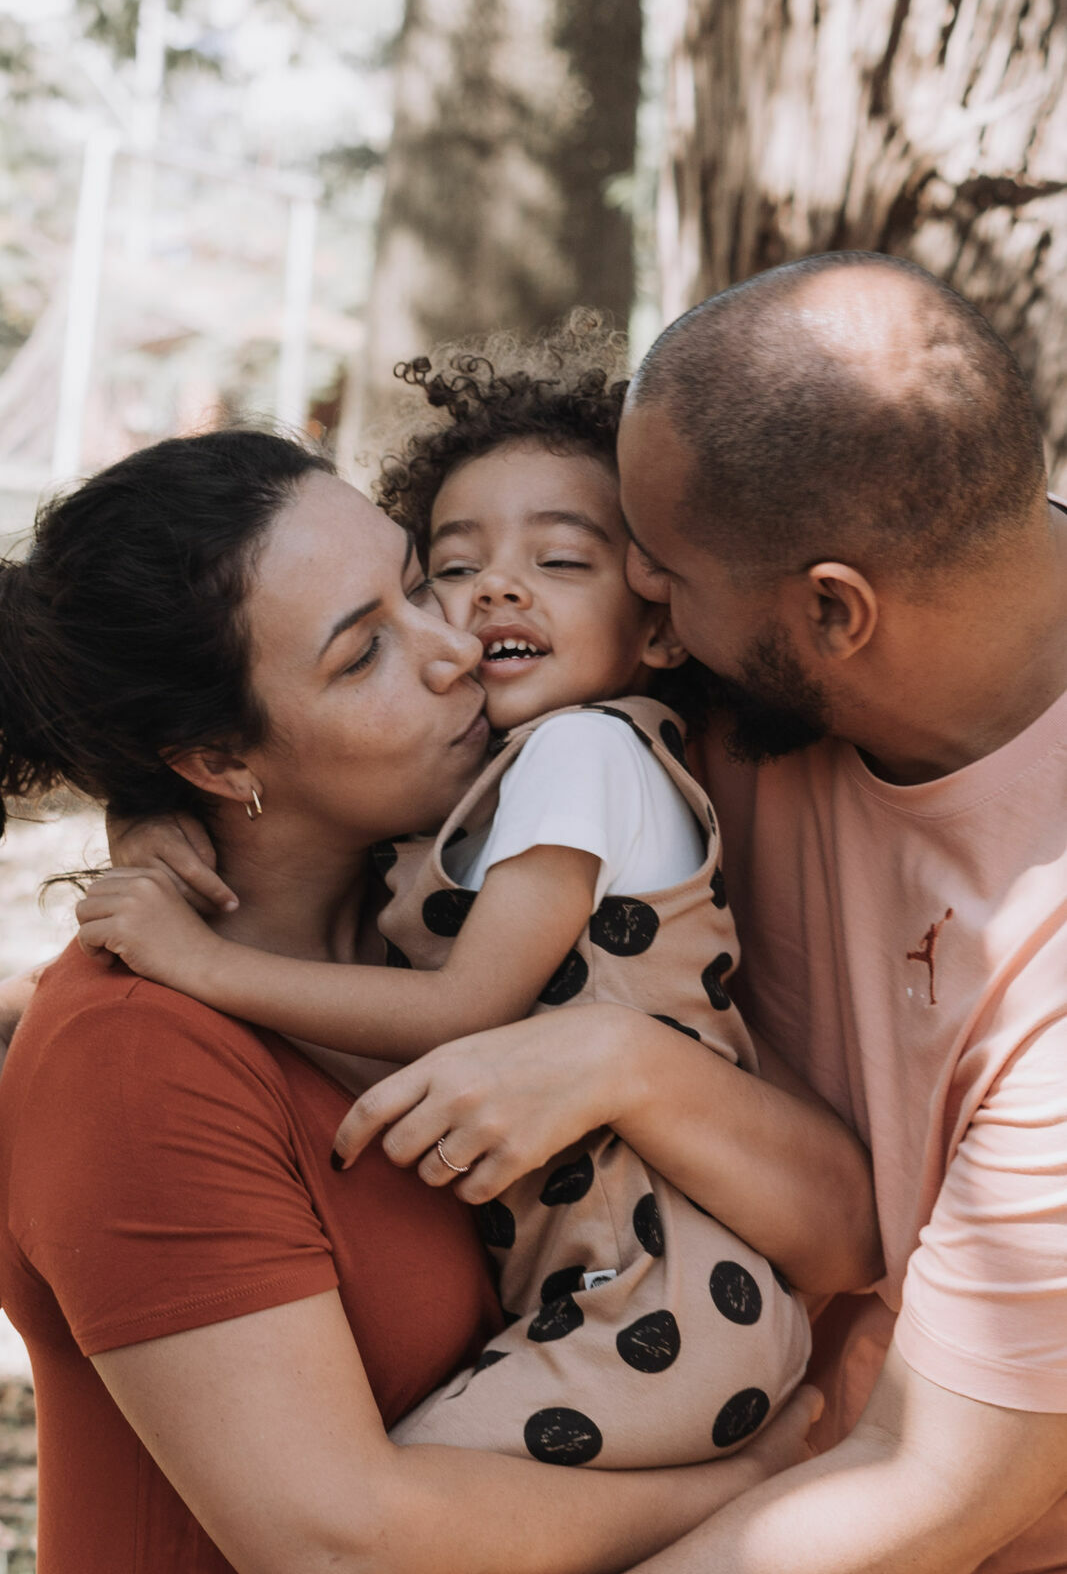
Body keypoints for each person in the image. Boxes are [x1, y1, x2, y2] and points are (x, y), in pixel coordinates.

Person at [0, 425, 857, 1573]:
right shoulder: (134, 1058)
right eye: (363, 654)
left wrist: (620, 1060)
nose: (456, 646)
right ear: (214, 760)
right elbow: (335, 1545)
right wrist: (745, 1486)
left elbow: (843, 1232)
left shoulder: (457, 909)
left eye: (418, 582)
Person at [335, 253, 1067, 1573]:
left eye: (654, 571)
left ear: (831, 612)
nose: (632, 606)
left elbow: (943, 1489)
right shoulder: (719, 684)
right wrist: (166, 806)